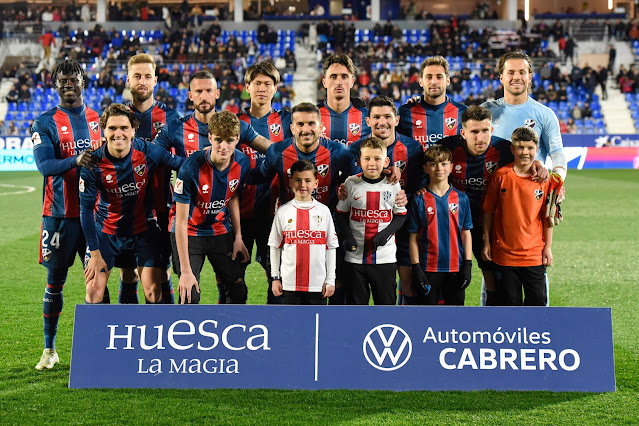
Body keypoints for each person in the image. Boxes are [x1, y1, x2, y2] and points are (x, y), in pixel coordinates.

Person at [154, 70, 269, 304]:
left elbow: (267, 153)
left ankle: (227, 333)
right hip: (188, 222)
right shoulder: (178, 130)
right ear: (190, 95)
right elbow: (152, 152)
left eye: (209, 91)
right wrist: (181, 163)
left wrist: (296, 153)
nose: (204, 96)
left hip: (219, 225)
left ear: (217, 93)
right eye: (198, 91)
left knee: (234, 286)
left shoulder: (235, 135)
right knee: (189, 291)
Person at [32, 59, 103, 370]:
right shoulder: (43, 123)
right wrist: (77, 160)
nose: (68, 84)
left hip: (95, 216)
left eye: (74, 78)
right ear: (55, 84)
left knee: (97, 281)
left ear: (83, 81)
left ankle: (99, 350)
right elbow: (45, 167)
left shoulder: (98, 119)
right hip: (59, 216)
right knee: (55, 282)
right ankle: (49, 350)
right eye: (63, 79)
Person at [437, 106, 548, 305]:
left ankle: (493, 326)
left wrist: (538, 164)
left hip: (491, 227)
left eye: (485, 131)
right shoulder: (448, 149)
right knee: (454, 278)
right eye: (474, 132)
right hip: (454, 227)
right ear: (463, 133)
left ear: (492, 130)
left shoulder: (504, 149)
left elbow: (524, 157)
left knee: (495, 282)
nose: (480, 137)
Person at [482, 52, 566, 306]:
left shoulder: (544, 114)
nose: (516, 77)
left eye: (522, 72)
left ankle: (537, 331)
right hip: (492, 199)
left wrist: (557, 181)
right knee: (493, 274)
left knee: (535, 274)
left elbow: (558, 154)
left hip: (529, 206)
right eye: (511, 72)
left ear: (530, 77)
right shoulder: (487, 111)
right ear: (501, 77)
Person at [80, 104, 183, 305]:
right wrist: (94, 253)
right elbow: (85, 210)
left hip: (142, 230)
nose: (118, 133)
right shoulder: (93, 162)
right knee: (93, 292)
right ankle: (106, 334)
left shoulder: (149, 152)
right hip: (106, 233)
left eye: (124, 128)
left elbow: (182, 165)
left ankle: (153, 333)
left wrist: (209, 158)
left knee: (154, 291)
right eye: (112, 128)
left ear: (133, 130)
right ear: (104, 131)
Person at [121, 53, 183, 304]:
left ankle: (163, 334)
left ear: (156, 80)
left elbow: (183, 164)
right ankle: (128, 335)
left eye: (147, 76)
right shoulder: (118, 117)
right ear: (128, 80)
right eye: (137, 76)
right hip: (124, 210)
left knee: (159, 277)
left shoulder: (172, 118)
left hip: (159, 209)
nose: (142, 81)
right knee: (127, 274)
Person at [347, 96, 421, 304]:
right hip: (364, 230)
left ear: (397, 120)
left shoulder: (413, 149)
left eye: (387, 116)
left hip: (402, 225)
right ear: (368, 121)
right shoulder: (355, 150)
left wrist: (409, 195)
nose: (382, 122)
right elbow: (354, 182)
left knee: (408, 283)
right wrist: (387, 170)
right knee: (360, 289)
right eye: (376, 117)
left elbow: (418, 187)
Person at [172, 111, 251, 304]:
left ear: (237, 139)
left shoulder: (242, 162)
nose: (224, 146)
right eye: (218, 140)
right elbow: (180, 220)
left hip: (219, 230)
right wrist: (185, 271)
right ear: (209, 137)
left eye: (230, 140)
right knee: (189, 294)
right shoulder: (190, 168)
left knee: (238, 289)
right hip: (190, 231)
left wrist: (238, 237)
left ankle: (231, 331)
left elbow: (232, 196)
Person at [482, 127, 561, 306]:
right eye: (520, 147)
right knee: (510, 305)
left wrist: (547, 247)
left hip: (534, 254)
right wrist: (486, 242)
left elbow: (547, 218)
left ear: (537, 149)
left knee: (538, 303)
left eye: (530, 148)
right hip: (504, 255)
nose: (525, 152)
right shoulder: (501, 176)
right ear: (512, 149)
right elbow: (488, 211)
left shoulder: (544, 180)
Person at [237, 61, 292, 304]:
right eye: (257, 83)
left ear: (275, 88)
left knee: (277, 280)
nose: (262, 88)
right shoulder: (233, 122)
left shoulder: (288, 122)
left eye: (267, 84)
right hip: (239, 214)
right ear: (247, 86)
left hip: (276, 217)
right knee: (233, 281)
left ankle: (275, 332)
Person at [335, 137, 407, 305]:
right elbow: (340, 213)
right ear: (359, 161)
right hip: (355, 258)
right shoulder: (351, 183)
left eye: (377, 158)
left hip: (385, 258)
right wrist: (347, 237)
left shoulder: (392, 184)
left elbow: (401, 215)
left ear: (386, 161)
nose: (372, 163)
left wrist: (385, 234)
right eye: (367, 159)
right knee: (356, 306)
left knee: (385, 306)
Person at [406, 144, 473, 305]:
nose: (439, 168)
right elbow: (413, 237)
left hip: (455, 268)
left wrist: (468, 265)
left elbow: (466, 233)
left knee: (455, 317)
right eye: (433, 164)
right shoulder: (419, 200)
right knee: (427, 316)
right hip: (428, 269)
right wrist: (416, 268)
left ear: (451, 167)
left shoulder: (461, 199)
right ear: (426, 168)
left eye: (444, 164)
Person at [269, 160, 339, 305]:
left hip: (317, 284)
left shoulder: (324, 211)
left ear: (316, 183)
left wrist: (330, 279)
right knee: (290, 325)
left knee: (315, 325)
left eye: (308, 180)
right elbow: (275, 246)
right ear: (290, 183)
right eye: (298, 180)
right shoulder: (283, 211)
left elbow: (331, 247)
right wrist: (275, 278)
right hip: (289, 284)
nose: (303, 185)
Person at [398, 56, 468, 150]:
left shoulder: (463, 113)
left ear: (447, 80)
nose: (434, 82)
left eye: (439, 77)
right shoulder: (405, 112)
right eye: (429, 77)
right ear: (421, 81)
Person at [318, 54, 371, 146]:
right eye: (333, 77)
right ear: (324, 82)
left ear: (352, 82)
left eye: (344, 76)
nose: (339, 82)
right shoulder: (314, 117)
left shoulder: (367, 118)